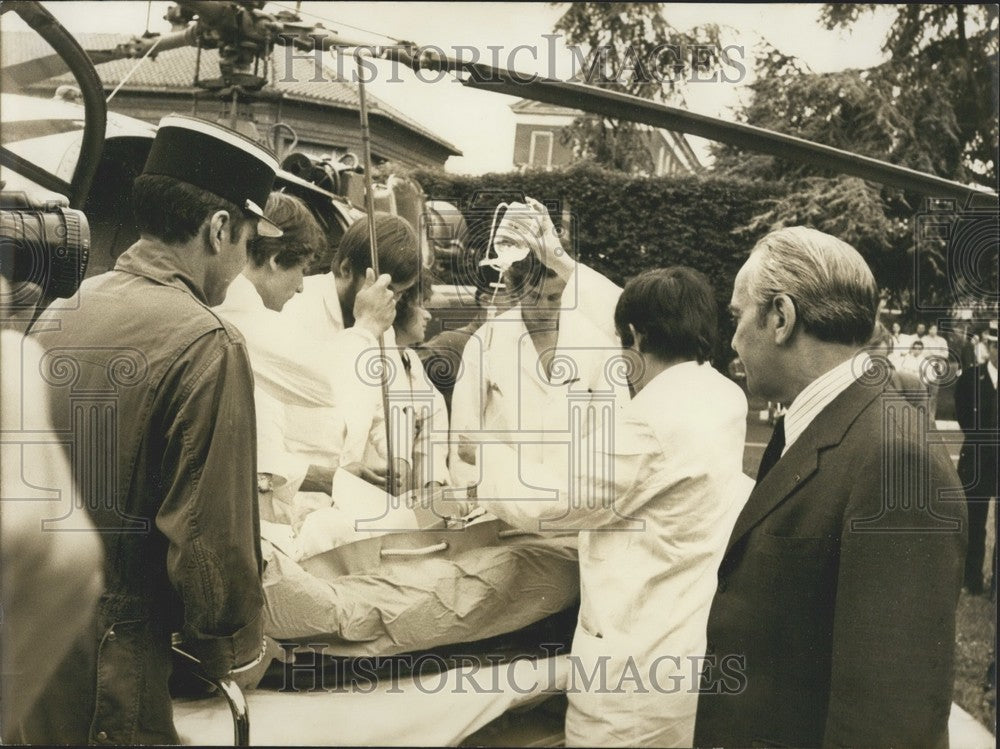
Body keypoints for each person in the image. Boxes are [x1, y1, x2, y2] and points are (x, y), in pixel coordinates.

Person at [22, 116, 281, 744]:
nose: (243, 265)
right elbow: (210, 554)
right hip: (116, 666)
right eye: (248, 242)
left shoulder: (60, 311)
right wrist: (237, 654)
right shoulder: (207, 344)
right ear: (220, 230)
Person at [695, 226, 966, 748]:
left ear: (781, 317)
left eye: (737, 317)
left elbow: (890, 724)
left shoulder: (896, 466)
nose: (731, 340)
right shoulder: (821, 423)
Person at [476, 266, 751, 747]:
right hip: (689, 654)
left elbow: (555, 504)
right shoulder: (726, 397)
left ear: (637, 338)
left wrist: (484, 460)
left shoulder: (647, 421)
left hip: (630, 680)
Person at [215, 192, 397, 526]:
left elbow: (263, 446)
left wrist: (331, 478)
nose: (300, 286)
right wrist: (367, 325)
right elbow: (327, 386)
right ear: (274, 260)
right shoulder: (237, 310)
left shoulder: (247, 307)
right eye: (301, 269)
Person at [449, 198, 628, 494]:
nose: (546, 308)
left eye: (555, 298)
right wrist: (470, 494)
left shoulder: (597, 343)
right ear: (510, 286)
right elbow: (464, 435)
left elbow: (613, 433)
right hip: (503, 507)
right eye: (535, 297)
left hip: (576, 507)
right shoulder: (485, 342)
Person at [954, 322, 998, 595]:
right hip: (978, 461)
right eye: (997, 346)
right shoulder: (971, 378)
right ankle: (972, 579)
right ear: (990, 347)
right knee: (974, 521)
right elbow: (964, 417)